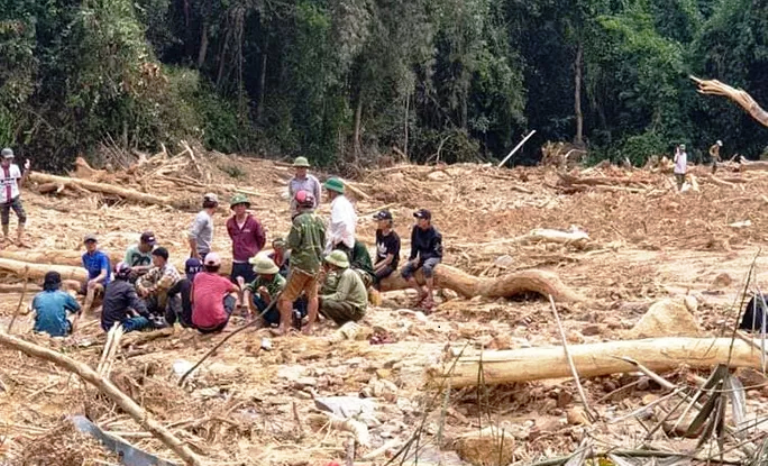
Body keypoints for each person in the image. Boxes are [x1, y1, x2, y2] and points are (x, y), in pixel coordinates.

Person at [277, 190, 326, 335]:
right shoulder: (321, 220)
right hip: (315, 264)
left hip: (300, 265)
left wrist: (282, 244)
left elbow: (293, 242)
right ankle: (309, 328)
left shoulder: (299, 221)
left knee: (288, 297)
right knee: (312, 296)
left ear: (298, 205)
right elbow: (323, 243)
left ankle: (286, 327)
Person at [401, 209, 442, 311]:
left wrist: (420, 258)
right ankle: (420, 292)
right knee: (405, 271)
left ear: (427, 220)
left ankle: (430, 296)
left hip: (433, 256)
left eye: (420, 219)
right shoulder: (416, 229)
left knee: (427, 267)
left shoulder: (435, 234)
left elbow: (435, 252)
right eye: (417, 218)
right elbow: (414, 246)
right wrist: (413, 258)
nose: (418, 221)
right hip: (421, 256)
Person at [191, 252, 240, 333]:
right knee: (233, 295)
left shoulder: (197, 277)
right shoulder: (223, 281)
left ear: (204, 266)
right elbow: (237, 289)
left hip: (199, 326)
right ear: (219, 266)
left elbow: (192, 299)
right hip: (216, 325)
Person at [319, 250, 367, 326]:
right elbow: (331, 289)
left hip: (355, 309)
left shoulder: (346, 274)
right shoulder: (341, 273)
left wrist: (322, 297)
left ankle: (345, 323)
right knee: (321, 300)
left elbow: (340, 296)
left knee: (326, 303)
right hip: (350, 305)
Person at [226, 194, 266, 287]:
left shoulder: (254, 222)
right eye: (236, 206)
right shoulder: (230, 223)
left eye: (241, 205)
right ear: (233, 208)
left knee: (251, 287)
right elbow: (232, 236)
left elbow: (261, 238)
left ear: (246, 206)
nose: (239, 208)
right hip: (237, 260)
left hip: (251, 261)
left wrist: (253, 250)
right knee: (235, 286)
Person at [101, 263, 152, 333]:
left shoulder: (109, 286)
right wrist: (149, 316)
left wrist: (132, 314)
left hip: (105, 325)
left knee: (136, 318)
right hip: (118, 327)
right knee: (144, 320)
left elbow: (119, 303)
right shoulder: (128, 287)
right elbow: (138, 305)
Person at [31, 271, 82, 337]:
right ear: (59, 283)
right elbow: (77, 308)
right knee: (74, 313)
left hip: (40, 331)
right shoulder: (64, 296)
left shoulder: (38, 296)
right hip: (60, 332)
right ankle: (72, 334)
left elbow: (35, 312)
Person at [136, 247, 181, 317]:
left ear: (160, 258)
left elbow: (159, 286)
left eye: (154, 258)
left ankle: (161, 312)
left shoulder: (169, 271)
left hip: (172, 302)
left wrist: (146, 291)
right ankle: (151, 308)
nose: (153, 260)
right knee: (145, 283)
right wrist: (141, 288)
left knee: (163, 290)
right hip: (158, 297)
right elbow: (140, 279)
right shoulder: (157, 269)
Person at [245, 256, 287, 327]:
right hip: (266, 307)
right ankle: (261, 320)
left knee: (281, 302)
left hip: (275, 309)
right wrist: (252, 306)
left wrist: (266, 296)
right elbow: (251, 289)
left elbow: (274, 302)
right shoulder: (261, 278)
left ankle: (282, 323)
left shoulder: (280, 283)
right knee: (254, 297)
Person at [0, 148, 30, 247]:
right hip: (3, 199)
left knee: (22, 216)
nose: (9, 161)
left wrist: (26, 171)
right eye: (7, 159)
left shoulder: (15, 168)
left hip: (14, 196)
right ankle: (6, 237)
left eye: (11, 159)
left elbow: (19, 183)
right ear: (2, 158)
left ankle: (20, 238)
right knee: (5, 219)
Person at [324, 177, 356, 256]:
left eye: (328, 191)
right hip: (347, 241)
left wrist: (335, 239)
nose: (327, 193)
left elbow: (343, 224)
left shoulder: (338, 205)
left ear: (334, 192)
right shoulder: (345, 203)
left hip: (341, 243)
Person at [165, 258, 202, 328]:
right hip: (204, 321)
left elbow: (170, 292)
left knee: (172, 297)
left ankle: (168, 323)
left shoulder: (184, 282)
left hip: (188, 322)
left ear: (186, 270)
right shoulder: (206, 282)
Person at [81, 234, 111, 313]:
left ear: (96, 243)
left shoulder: (102, 257)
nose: (90, 245)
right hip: (91, 280)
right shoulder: (85, 257)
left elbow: (104, 274)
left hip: (104, 282)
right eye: (88, 243)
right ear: (85, 244)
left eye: (92, 243)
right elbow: (88, 270)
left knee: (91, 286)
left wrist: (95, 280)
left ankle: (85, 311)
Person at [188, 193, 218, 261]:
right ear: (215, 205)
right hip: (200, 254)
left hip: (204, 252)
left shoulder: (207, 217)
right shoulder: (203, 217)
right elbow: (192, 235)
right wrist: (195, 252)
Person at [373, 210, 400, 283]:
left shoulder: (394, 238)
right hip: (380, 261)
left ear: (387, 222)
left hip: (390, 265)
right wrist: (374, 263)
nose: (378, 222)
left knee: (374, 277)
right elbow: (378, 251)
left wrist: (375, 267)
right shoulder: (378, 232)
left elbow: (389, 260)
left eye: (380, 220)